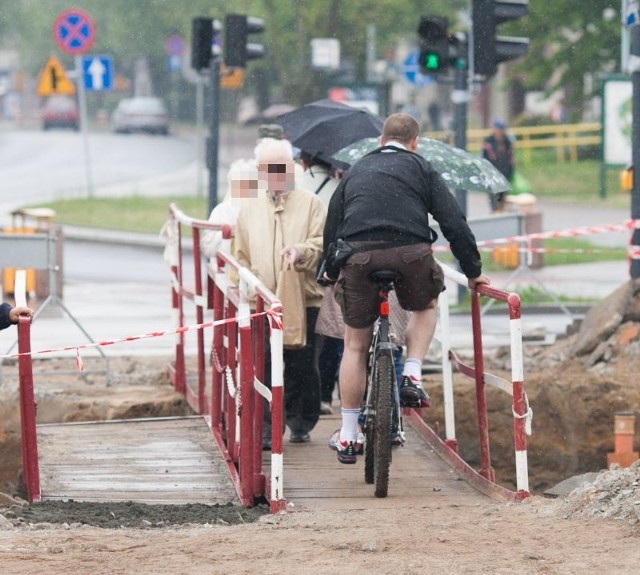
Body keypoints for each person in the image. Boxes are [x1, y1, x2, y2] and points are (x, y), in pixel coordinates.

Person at [322, 112, 490, 464]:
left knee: (354, 345)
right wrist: (472, 271)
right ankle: (412, 373)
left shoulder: (356, 170)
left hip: (360, 256)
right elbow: (453, 222)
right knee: (425, 306)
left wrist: (330, 269)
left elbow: (333, 225)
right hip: (410, 255)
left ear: (381, 141)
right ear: (415, 143)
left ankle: (349, 435)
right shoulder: (422, 168)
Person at [234, 137, 326, 445]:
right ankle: (266, 429)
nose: (275, 175)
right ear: (259, 172)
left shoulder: (311, 203)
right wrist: (248, 286)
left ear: (291, 169)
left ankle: (301, 420)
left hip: (304, 298)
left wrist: (300, 253)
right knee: (263, 364)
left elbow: (319, 244)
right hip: (261, 301)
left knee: (302, 364)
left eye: (281, 168)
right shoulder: (248, 208)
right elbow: (240, 256)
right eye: (268, 169)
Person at [200, 158, 259, 261]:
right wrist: (228, 235)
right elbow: (207, 246)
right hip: (227, 269)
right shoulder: (222, 211)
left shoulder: (263, 210)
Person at [482, 119, 515, 213]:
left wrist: (511, 171)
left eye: (500, 129)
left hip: (505, 172)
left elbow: (511, 158)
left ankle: (501, 211)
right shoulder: (488, 141)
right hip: (492, 173)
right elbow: (484, 157)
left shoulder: (507, 141)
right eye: (496, 129)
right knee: (493, 195)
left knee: (503, 196)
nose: (498, 132)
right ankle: (495, 212)